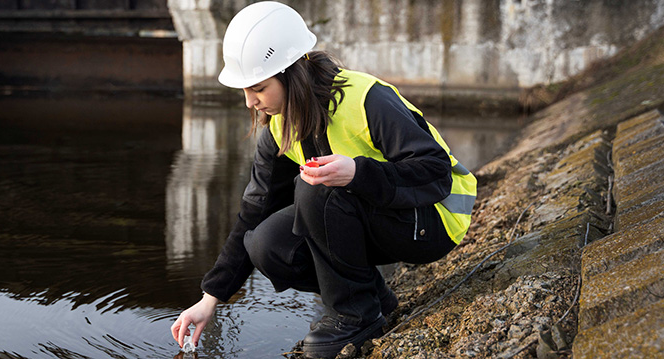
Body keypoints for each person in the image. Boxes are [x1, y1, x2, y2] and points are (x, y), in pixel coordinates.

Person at [170, 2, 477, 358]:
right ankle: (371, 298)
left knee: (315, 190)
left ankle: (353, 316)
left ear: (291, 72)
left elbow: (435, 171)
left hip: (434, 219)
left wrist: (359, 173)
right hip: (385, 215)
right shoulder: (279, 127)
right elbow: (252, 214)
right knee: (265, 244)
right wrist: (211, 298)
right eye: (245, 90)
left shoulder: (366, 99)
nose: (250, 102)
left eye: (258, 87)